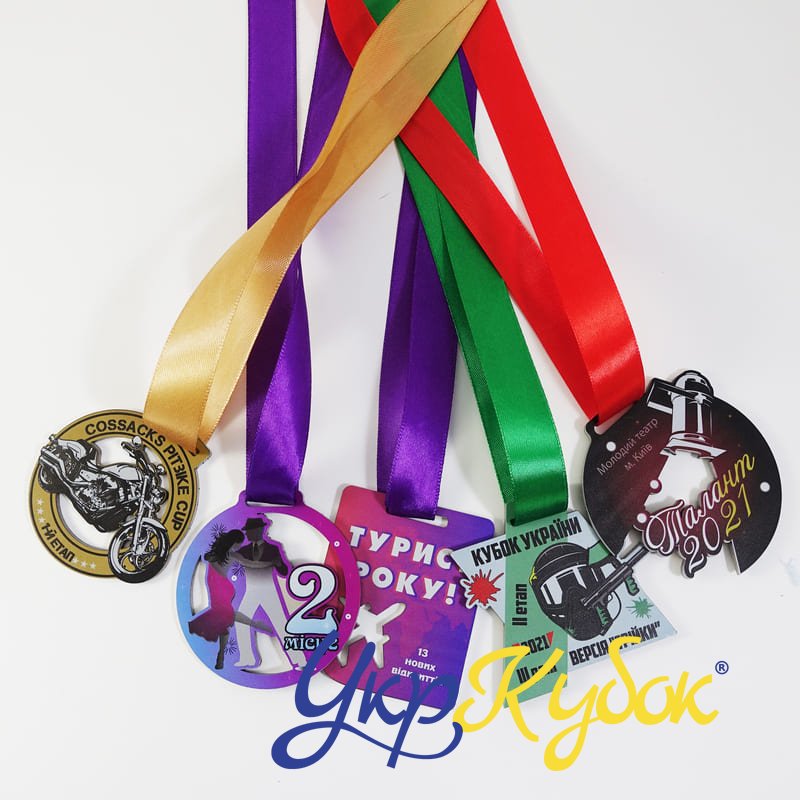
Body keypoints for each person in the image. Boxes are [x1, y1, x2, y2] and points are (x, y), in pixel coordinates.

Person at [229, 516, 305, 670]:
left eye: (250, 531)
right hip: (251, 591)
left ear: (259, 531)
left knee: (281, 623)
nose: (247, 534)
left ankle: (299, 659)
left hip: (268, 590)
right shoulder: (243, 551)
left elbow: (284, 571)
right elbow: (233, 559)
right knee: (241, 621)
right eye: (247, 531)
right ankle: (247, 657)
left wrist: (279, 563)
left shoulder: (273, 549)